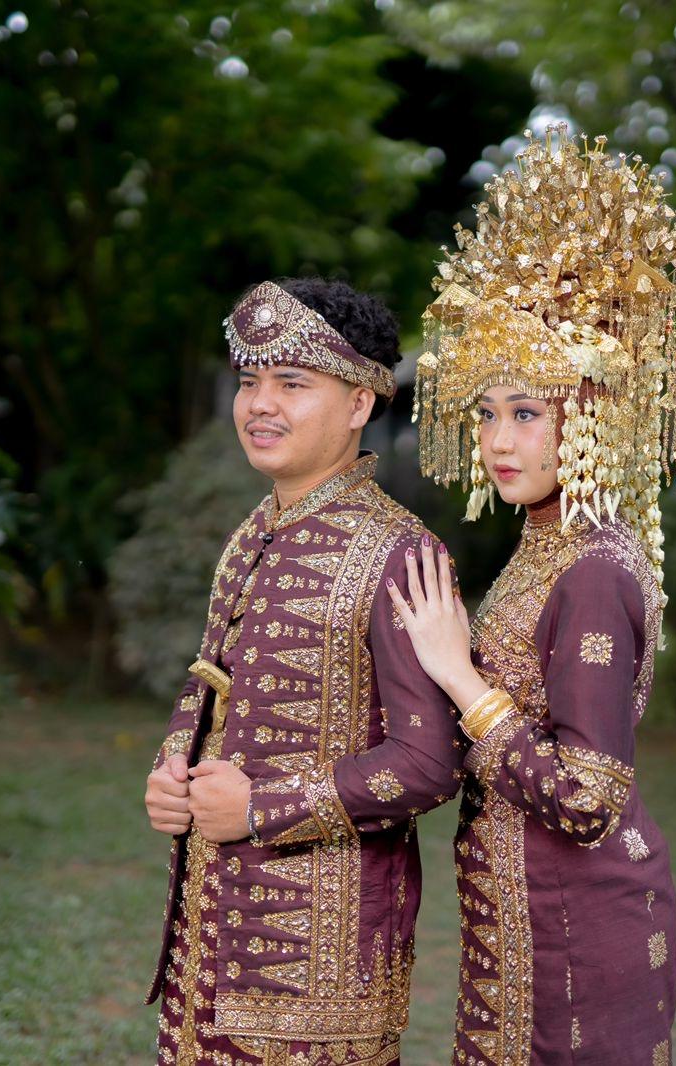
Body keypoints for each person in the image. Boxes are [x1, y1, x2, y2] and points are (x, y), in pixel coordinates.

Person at [387, 126, 676, 1066]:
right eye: (487, 412)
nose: (498, 440)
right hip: (523, 909)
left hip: (580, 922)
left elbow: (588, 796)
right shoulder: (546, 544)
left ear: (590, 419)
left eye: (527, 413)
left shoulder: (594, 570)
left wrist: (457, 674)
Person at [142, 277, 465, 1066]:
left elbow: (429, 763)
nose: (260, 405)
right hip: (207, 937)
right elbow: (212, 681)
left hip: (322, 971)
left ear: (359, 403)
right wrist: (173, 766)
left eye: (292, 383)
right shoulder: (254, 530)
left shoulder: (401, 554)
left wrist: (262, 807)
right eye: (249, 381)